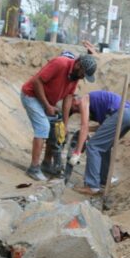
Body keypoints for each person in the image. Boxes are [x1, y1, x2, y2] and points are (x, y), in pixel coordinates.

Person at [21, 52, 98, 181]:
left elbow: (68, 98)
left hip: (47, 102)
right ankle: (33, 168)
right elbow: (36, 81)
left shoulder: (74, 77)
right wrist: (47, 106)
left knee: (57, 128)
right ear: (78, 65)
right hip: (31, 96)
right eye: (83, 74)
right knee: (43, 127)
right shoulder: (60, 63)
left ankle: (46, 163)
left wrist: (65, 124)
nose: (82, 77)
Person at [68, 90, 130, 194]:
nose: (77, 112)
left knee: (93, 146)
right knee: (104, 147)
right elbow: (104, 126)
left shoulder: (84, 100)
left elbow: (84, 126)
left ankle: (92, 186)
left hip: (122, 113)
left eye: (73, 109)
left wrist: (77, 152)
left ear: (74, 101)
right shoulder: (99, 105)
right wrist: (89, 129)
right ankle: (104, 181)